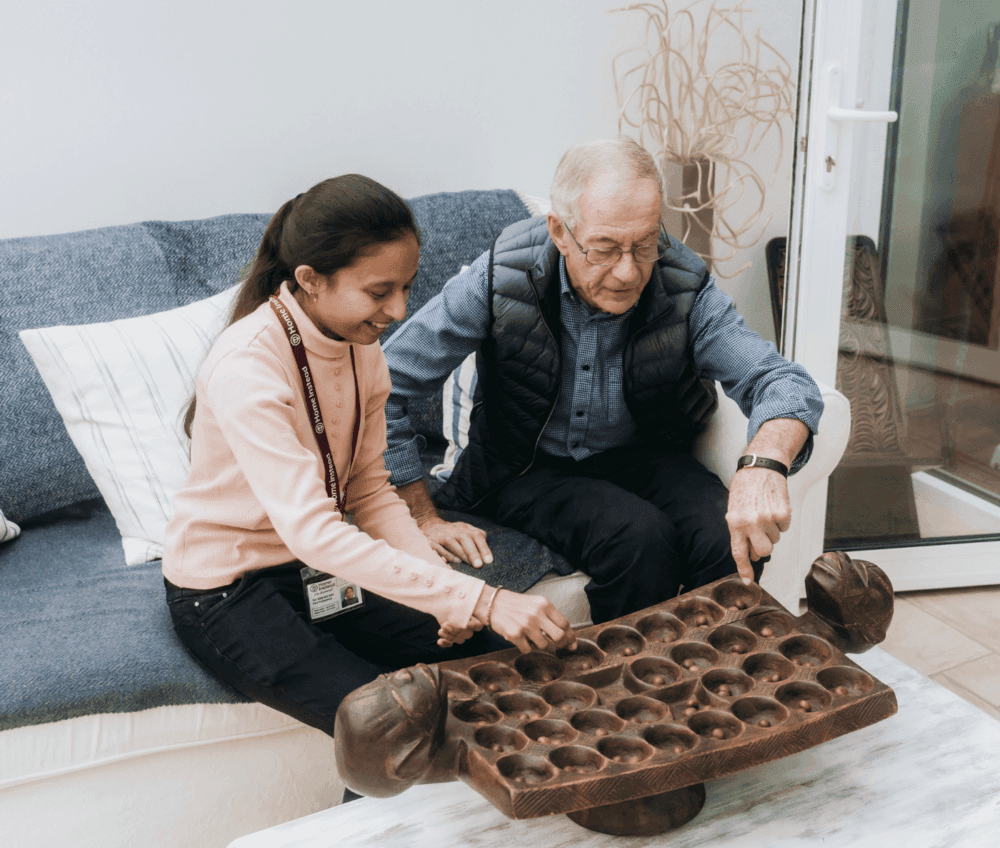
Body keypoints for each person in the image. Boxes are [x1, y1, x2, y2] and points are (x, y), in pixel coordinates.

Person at [162, 175, 576, 746]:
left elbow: (369, 494)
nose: (399, 310)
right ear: (310, 280)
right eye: (379, 292)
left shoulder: (361, 351)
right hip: (229, 589)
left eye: (405, 287)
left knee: (498, 662)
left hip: (316, 570)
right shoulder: (247, 367)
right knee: (392, 725)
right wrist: (476, 596)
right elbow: (313, 530)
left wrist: (443, 592)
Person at [382, 139, 825, 625]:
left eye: (645, 244)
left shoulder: (683, 284)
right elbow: (386, 384)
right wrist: (420, 517)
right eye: (606, 248)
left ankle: (712, 676)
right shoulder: (501, 277)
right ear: (559, 231)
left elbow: (782, 381)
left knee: (722, 532)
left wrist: (763, 464)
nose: (628, 271)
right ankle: (626, 690)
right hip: (525, 463)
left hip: (644, 452)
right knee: (637, 538)